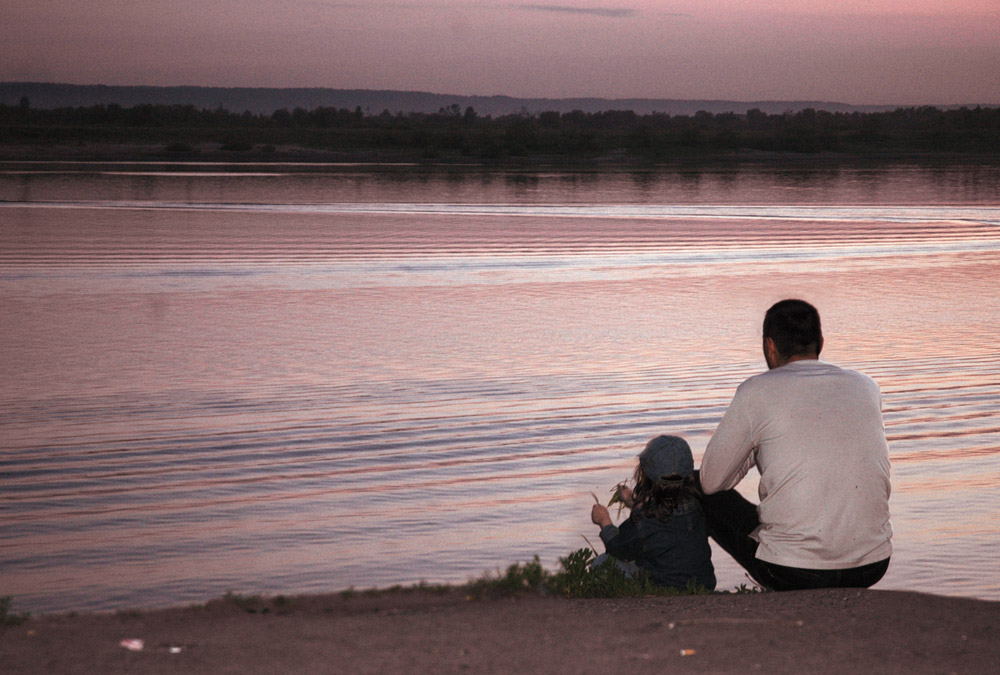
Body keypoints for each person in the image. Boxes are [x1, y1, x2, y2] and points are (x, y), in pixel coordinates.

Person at [698, 299, 892, 591]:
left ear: (770, 347)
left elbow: (710, 482)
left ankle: (683, 581)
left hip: (792, 572)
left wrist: (752, 452)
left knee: (693, 487)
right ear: (821, 343)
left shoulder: (757, 391)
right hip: (872, 564)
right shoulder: (866, 386)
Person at [590, 434, 716, 591]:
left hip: (665, 587)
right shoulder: (697, 507)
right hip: (703, 585)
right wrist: (634, 503)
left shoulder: (645, 521)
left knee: (602, 563)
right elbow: (669, 524)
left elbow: (618, 548)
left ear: (646, 477)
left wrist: (604, 521)